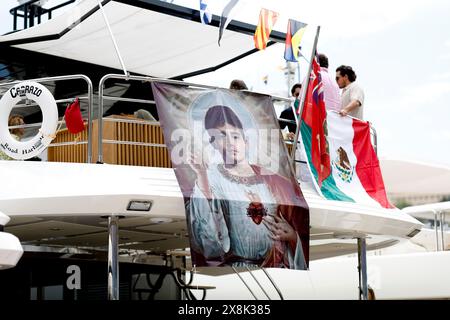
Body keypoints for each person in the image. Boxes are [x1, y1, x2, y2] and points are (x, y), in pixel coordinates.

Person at [186, 105, 308, 269]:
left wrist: (293, 237)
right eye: (222, 137)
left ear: (246, 141)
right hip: (234, 271)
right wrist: (201, 175)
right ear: (213, 143)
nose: (230, 143)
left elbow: (296, 219)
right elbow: (207, 239)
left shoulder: (273, 180)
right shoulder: (211, 177)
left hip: (276, 268)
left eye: (235, 136)